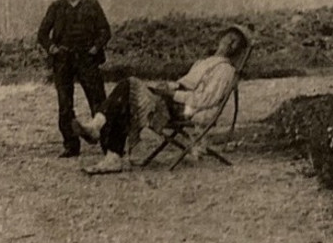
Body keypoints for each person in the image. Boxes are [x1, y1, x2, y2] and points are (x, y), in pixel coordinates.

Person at [76, 26, 250, 176]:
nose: (229, 43)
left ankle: (101, 133)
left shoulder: (225, 70)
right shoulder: (205, 62)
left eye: (235, 42)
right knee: (127, 95)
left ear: (238, 50)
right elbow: (183, 83)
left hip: (188, 109)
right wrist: (167, 87)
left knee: (129, 86)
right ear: (221, 39)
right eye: (228, 38)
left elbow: (204, 100)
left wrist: (171, 95)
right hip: (177, 101)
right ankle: (111, 154)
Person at [35, 0, 113, 157]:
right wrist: (52, 48)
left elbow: (105, 30)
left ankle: (108, 143)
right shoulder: (56, 7)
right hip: (63, 61)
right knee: (65, 104)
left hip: (87, 59)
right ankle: (71, 145)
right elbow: (42, 34)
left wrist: (95, 47)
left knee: (98, 101)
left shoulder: (92, 5)